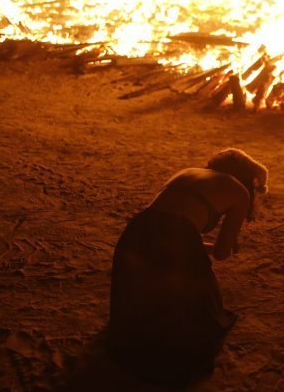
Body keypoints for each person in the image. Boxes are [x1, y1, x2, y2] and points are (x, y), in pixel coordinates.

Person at [108, 148, 268, 385]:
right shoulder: (239, 191)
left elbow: (164, 224)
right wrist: (220, 244)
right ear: (245, 176)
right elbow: (221, 253)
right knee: (205, 310)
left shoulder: (187, 172)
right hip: (174, 245)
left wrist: (197, 243)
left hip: (136, 235)